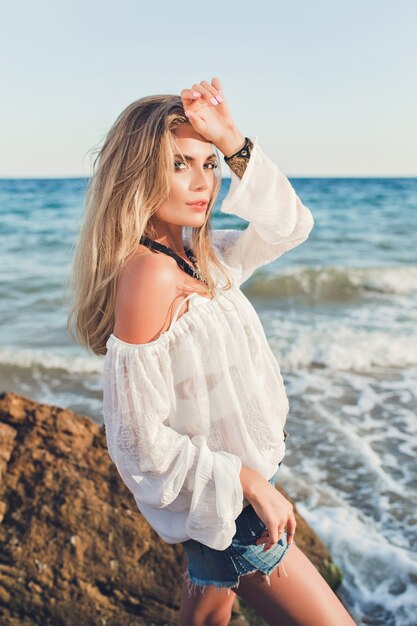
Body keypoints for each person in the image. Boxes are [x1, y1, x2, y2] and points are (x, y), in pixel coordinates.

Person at [68, 77, 357, 626]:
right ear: (138, 173)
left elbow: (291, 224)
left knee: (205, 618)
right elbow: (138, 444)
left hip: (223, 497)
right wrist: (248, 483)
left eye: (210, 164)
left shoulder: (203, 261)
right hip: (234, 505)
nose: (203, 183)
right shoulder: (150, 273)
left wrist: (232, 138)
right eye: (180, 164)